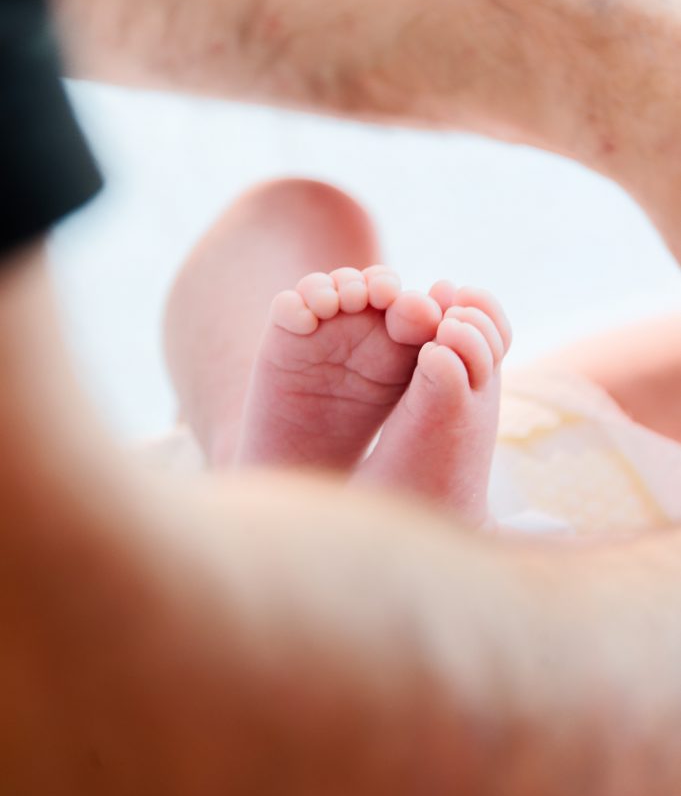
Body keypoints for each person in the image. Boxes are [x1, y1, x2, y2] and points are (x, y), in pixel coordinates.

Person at [2, 0, 681, 796]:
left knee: (287, 232)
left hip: (244, 655)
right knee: (295, 218)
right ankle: (310, 493)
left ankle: (274, 470)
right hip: (549, 587)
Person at [162, 178, 681, 537]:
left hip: (564, 585)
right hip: (560, 501)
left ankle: (256, 470)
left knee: (290, 216)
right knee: (299, 209)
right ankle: (267, 479)